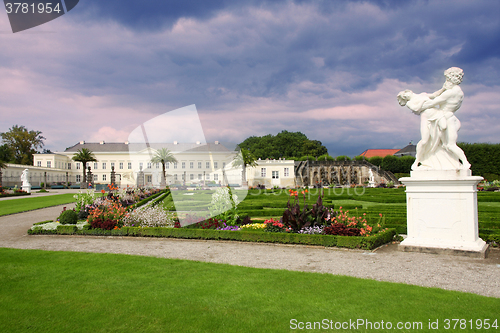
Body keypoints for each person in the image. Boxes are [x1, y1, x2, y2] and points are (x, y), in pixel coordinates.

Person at [397, 67, 470, 170]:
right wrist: (424, 101)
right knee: (426, 140)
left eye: (405, 93)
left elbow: (435, 96)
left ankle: (462, 162)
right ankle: (418, 161)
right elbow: (418, 108)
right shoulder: (410, 102)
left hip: (439, 115)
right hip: (427, 118)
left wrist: (443, 88)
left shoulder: (424, 94)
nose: (406, 96)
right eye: (404, 96)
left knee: (446, 141)